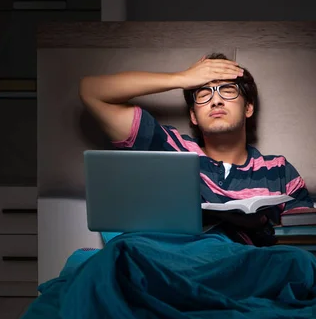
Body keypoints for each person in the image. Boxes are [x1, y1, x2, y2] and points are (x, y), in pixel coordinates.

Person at [79, 53, 314, 246]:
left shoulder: (279, 170)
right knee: (119, 254)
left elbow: (305, 240)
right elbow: (91, 91)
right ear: (193, 115)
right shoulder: (170, 146)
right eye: (204, 94)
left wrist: (261, 229)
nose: (216, 101)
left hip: (248, 266)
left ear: (248, 108)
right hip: (180, 263)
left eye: (228, 91)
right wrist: (181, 78)